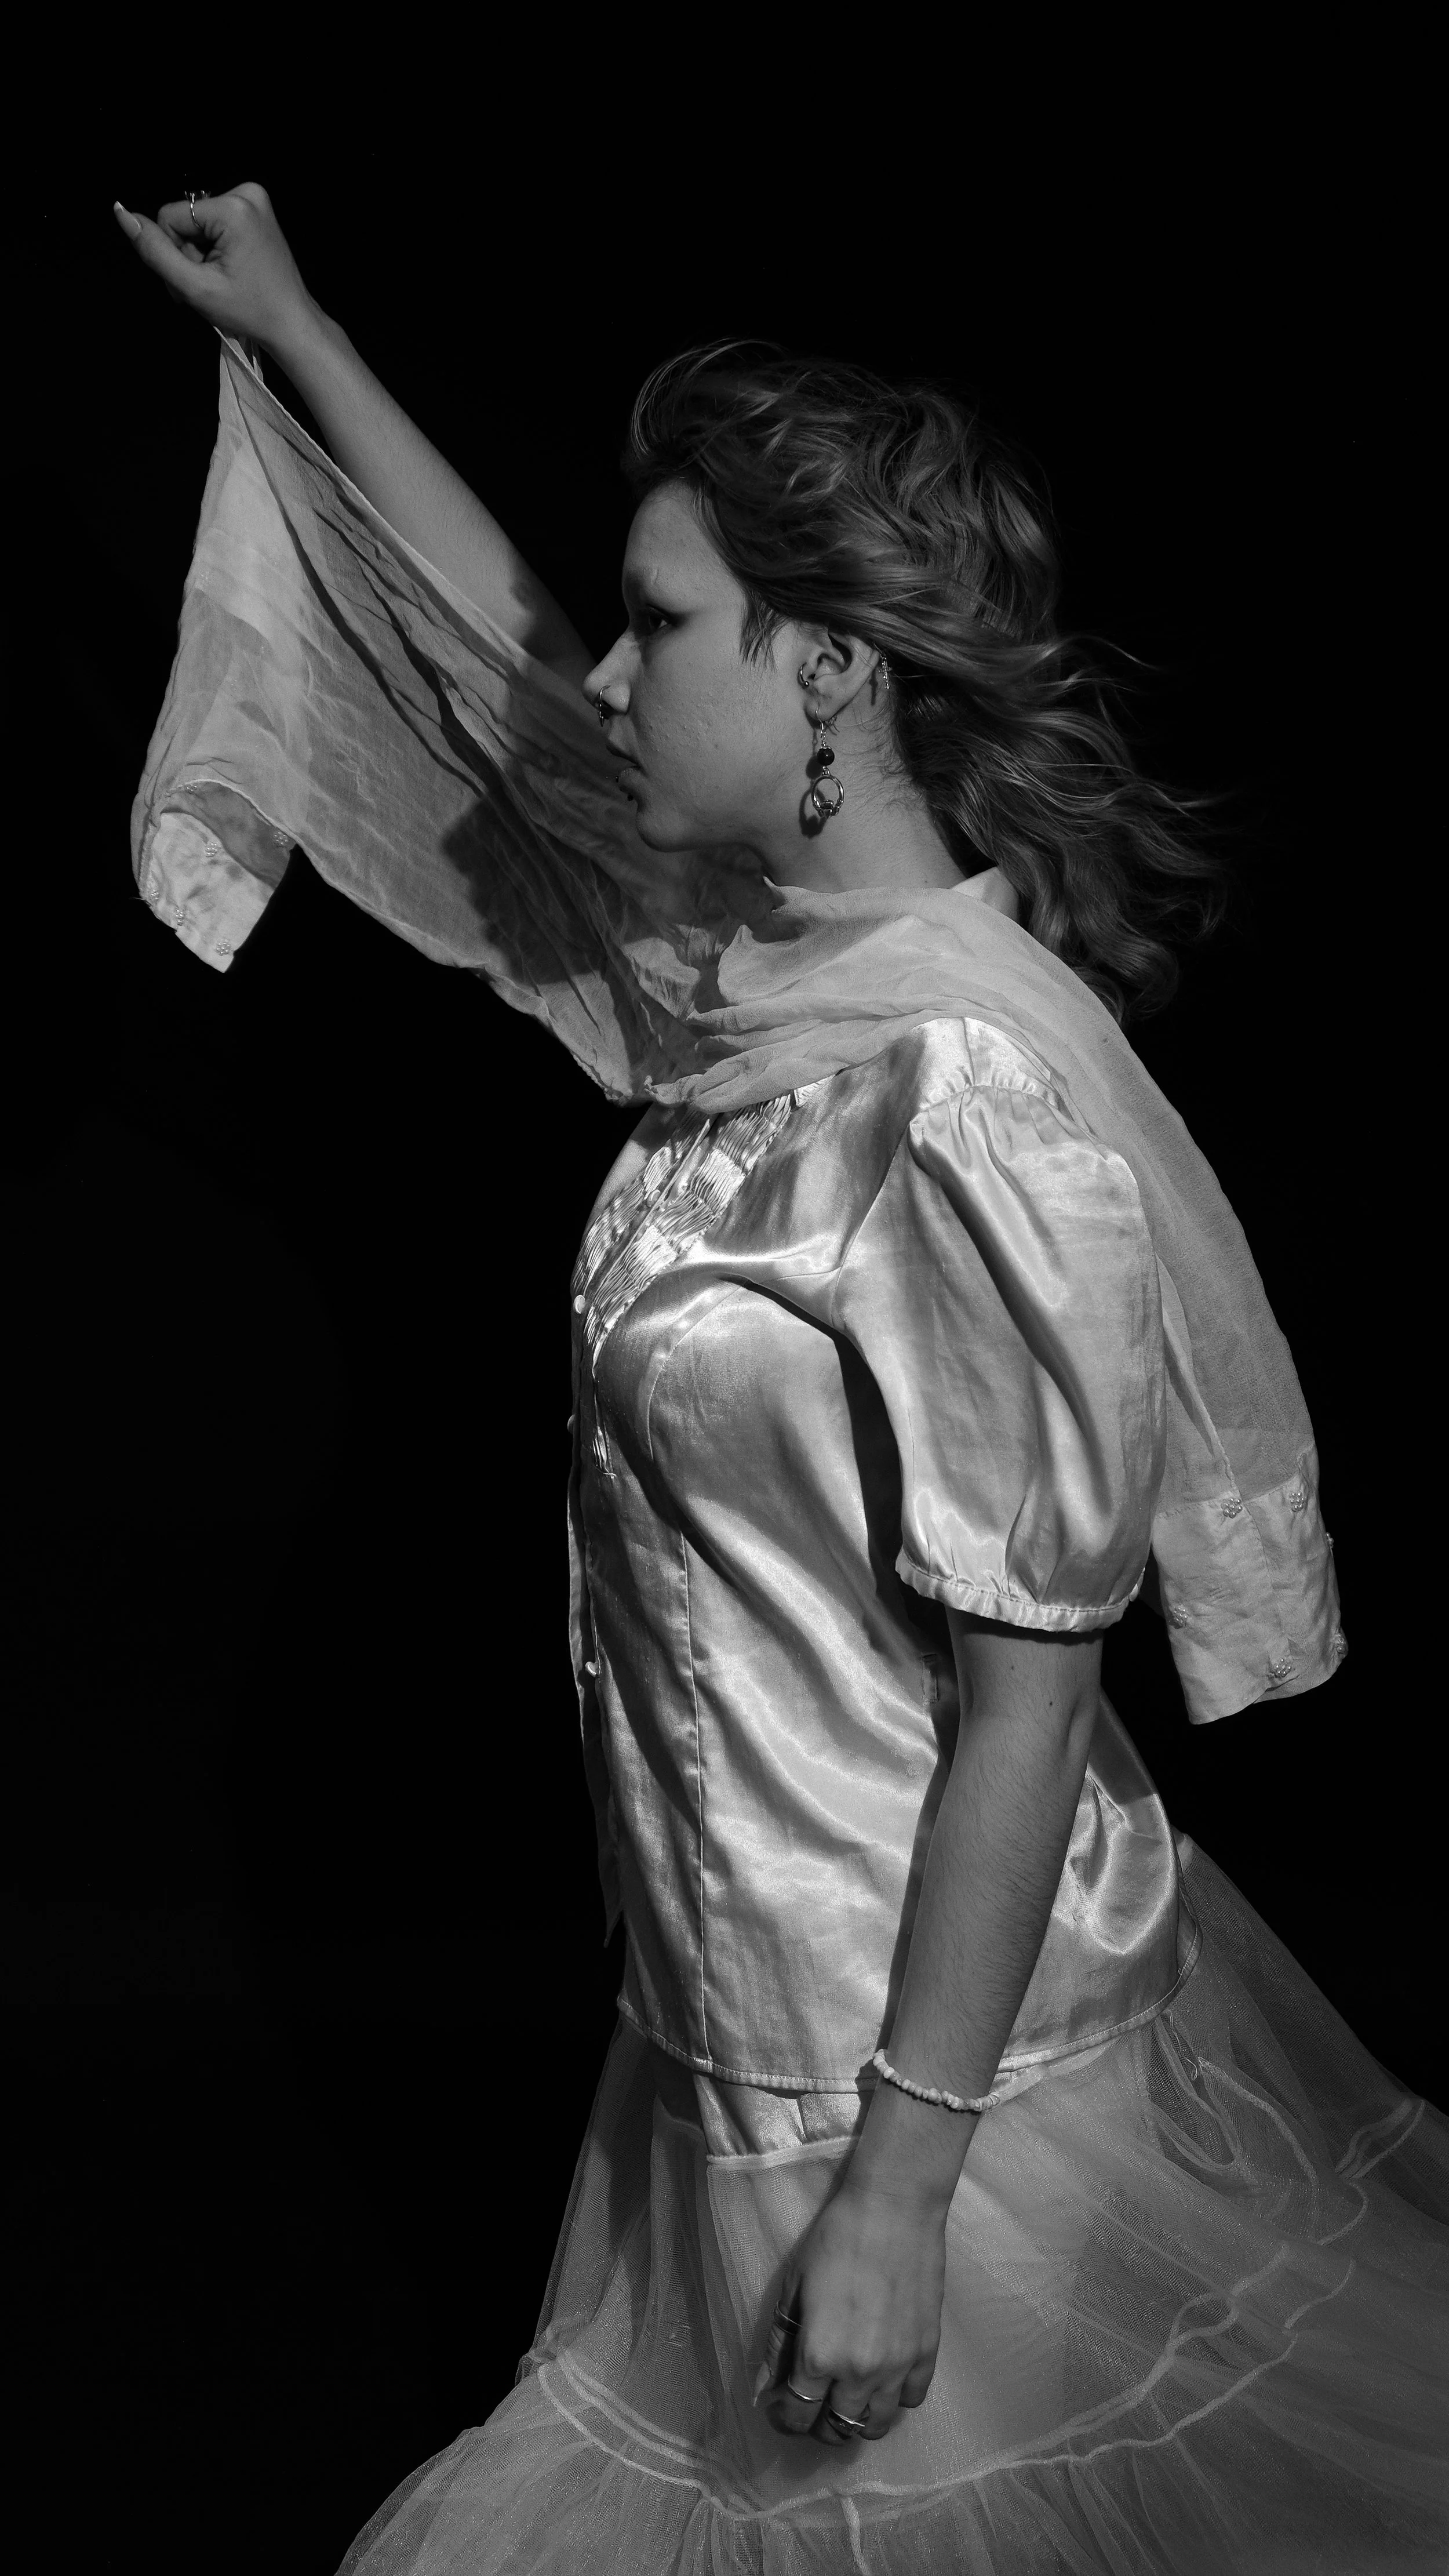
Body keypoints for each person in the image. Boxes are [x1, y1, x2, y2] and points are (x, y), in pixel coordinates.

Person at [116, 186, 1447, 2575]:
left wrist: (898, 2196)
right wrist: (299, 327)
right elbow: (502, 662)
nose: (608, 688)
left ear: (828, 669)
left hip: (940, 2077)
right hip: (729, 2027)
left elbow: (1031, 1701)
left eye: (665, 631)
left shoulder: (959, 1096)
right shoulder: (744, 985)